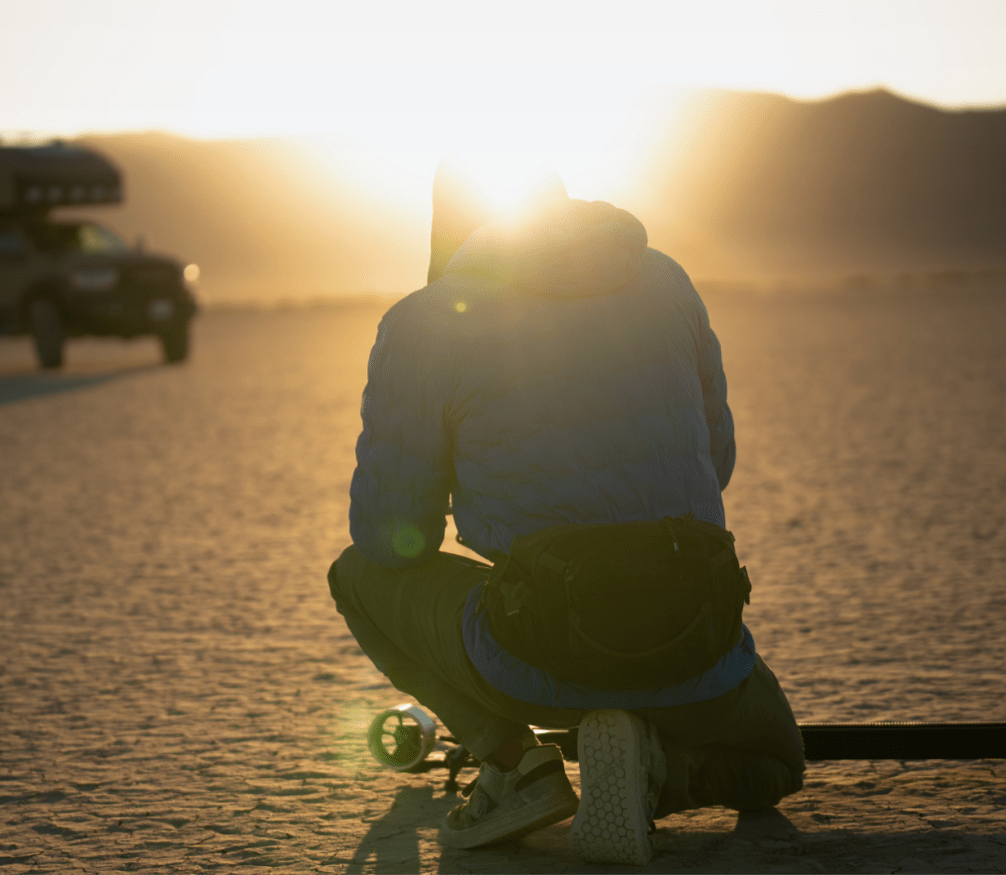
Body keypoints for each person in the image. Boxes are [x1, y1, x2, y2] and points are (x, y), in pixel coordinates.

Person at [329, 161, 804, 866]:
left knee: (356, 576)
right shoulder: (667, 281)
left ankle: (516, 768)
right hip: (693, 636)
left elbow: (390, 538)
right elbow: (718, 461)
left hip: (537, 644)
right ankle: (657, 770)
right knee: (778, 763)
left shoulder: (424, 322)